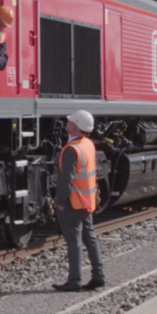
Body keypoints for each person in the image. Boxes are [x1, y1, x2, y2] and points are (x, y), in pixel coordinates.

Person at [52, 109, 106, 292]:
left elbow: (65, 180)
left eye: (69, 121)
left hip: (73, 203)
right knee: (90, 238)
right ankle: (99, 276)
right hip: (87, 201)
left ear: (74, 127)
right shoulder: (88, 144)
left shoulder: (70, 150)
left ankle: (74, 281)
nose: (66, 123)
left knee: (74, 242)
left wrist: (59, 202)